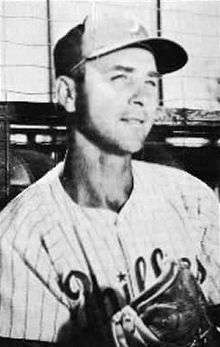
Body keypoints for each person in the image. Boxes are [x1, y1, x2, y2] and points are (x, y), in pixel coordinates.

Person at [0, 12, 219, 347]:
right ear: (67, 93)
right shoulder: (18, 236)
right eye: (120, 78)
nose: (143, 97)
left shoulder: (193, 200)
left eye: (150, 81)